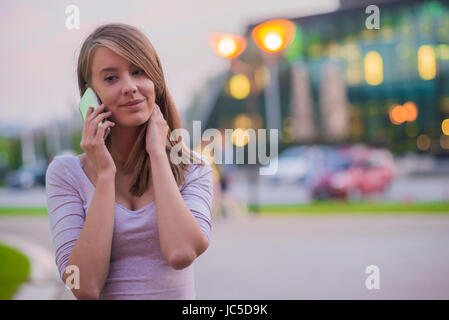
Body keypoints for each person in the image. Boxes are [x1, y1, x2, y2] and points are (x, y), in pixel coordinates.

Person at [45, 23, 213, 300]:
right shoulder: (65, 174)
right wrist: (105, 175)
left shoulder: (193, 169)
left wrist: (159, 155)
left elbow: (181, 252)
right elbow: (84, 286)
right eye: (111, 78)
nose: (130, 87)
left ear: (155, 80)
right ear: (90, 95)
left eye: (138, 72)